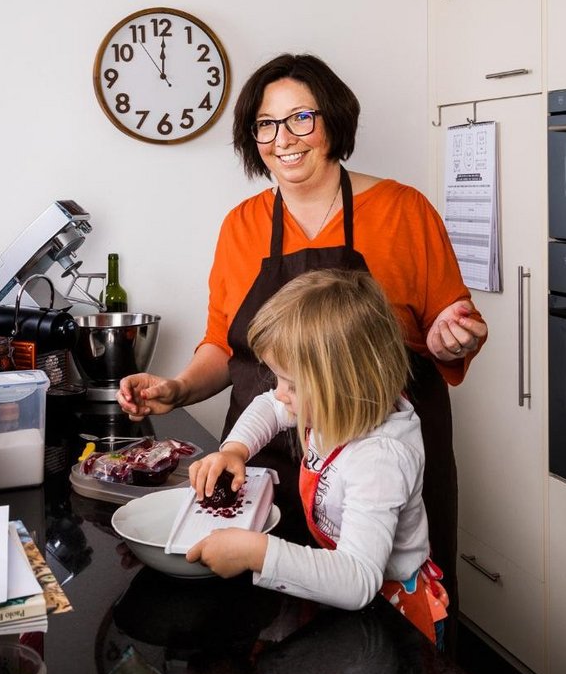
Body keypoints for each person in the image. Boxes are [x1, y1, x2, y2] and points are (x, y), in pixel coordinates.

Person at [117, 53, 485, 607]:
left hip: (373, 468)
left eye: (300, 118)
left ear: (334, 120)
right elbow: (225, 344)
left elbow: (448, 326)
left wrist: (450, 338)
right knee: (267, 618)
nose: (282, 138)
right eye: (266, 124)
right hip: (266, 465)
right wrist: (178, 389)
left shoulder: (403, 211)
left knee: (381, 628)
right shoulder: (242, 225)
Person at [185, 269, 449, 645]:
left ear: (345, 384)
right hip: (342, 592)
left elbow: (357, 579)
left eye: (291, 385)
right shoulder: (337, 406)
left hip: (391, 614)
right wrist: (234, 449)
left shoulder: (379, 459)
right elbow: (270, 407)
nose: (280, 393)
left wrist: (255, 552)